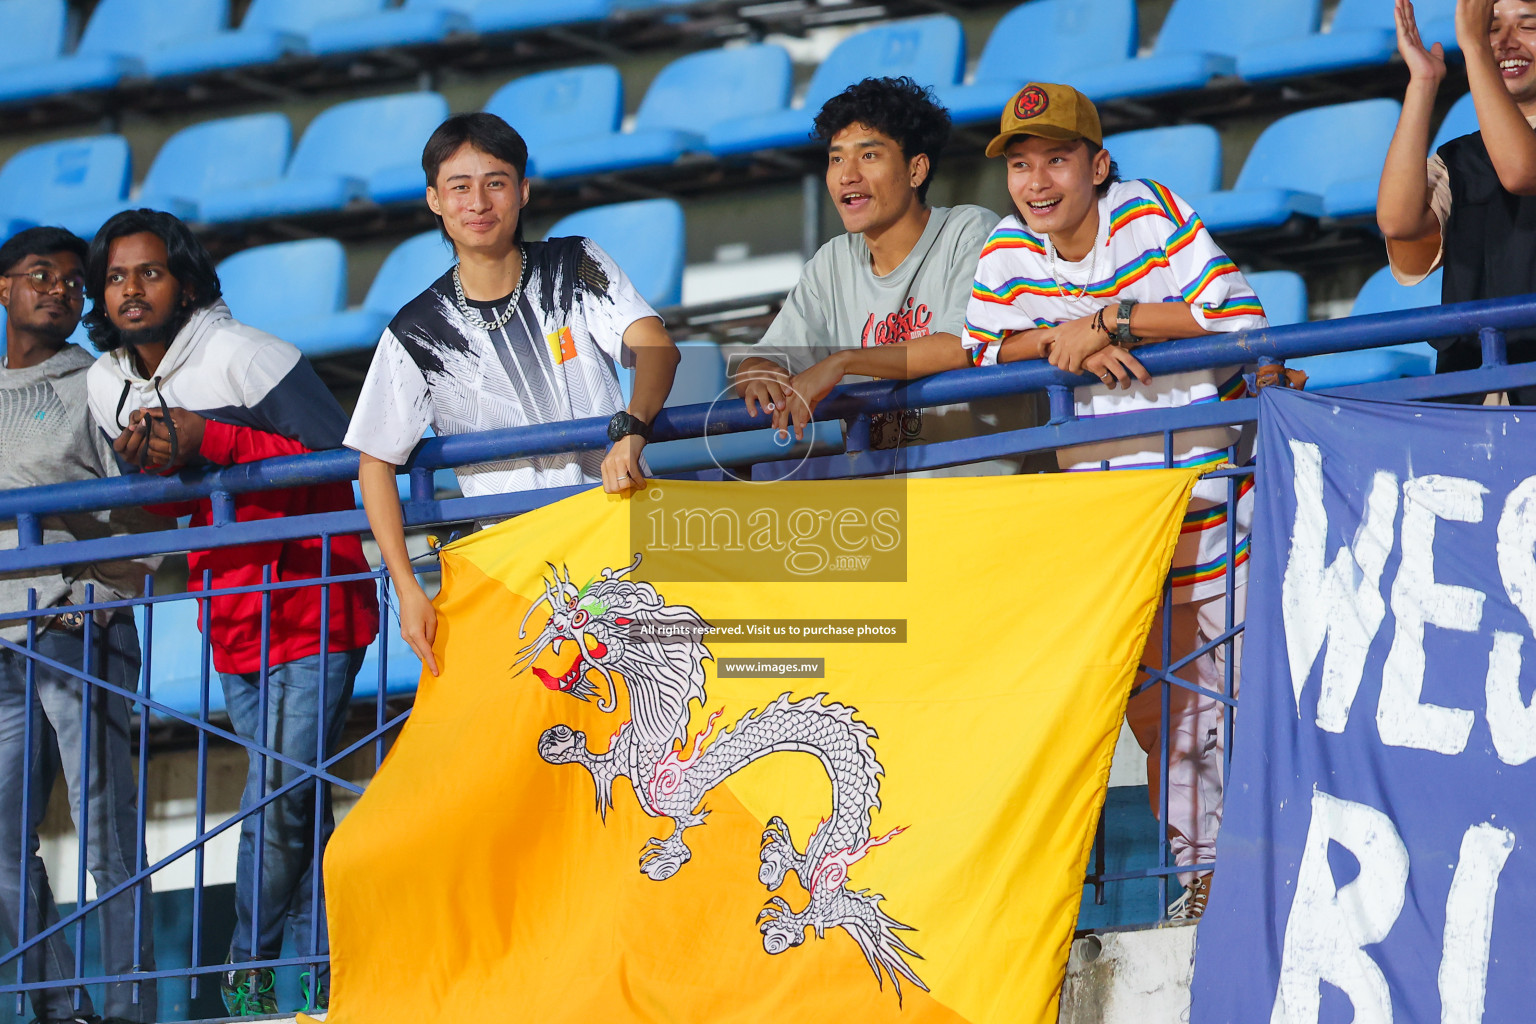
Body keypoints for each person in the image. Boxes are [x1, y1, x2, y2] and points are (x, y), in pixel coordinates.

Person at [961, 83, 1269, 921]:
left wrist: (1116, 320)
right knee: (1164, 711)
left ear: (1097, 165)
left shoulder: (1150, 209)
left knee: (1251, 686)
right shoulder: (1005, 248)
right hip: (1113, 526)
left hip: (1210, 494)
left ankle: (1276, 865)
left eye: (1056, 159)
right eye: (1021, 164)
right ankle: (1203, 883)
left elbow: (1240, 318)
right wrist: (1067, 341)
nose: (1036, 181)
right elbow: (982, 349)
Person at [81, 210, 379, 1016]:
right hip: (231, 614)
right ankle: (327, 968)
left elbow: (341, 456)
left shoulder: (247, 353)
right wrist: (166, 455)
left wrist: (213, 437)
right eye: (115, 277)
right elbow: (160, 502)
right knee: (299, 799)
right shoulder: (105, 380)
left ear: (184, 278)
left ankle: (244, 967)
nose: (132, 290)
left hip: (315, 599)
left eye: (149, 272)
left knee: (278, 793)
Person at [346, 112, 679, 677]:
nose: (478, 202)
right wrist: (407, 588)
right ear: (434, 200)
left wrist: (633, 425)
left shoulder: (576, 264)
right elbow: (375, 461)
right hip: (512, 568)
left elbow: (656, 347)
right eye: (459, 186)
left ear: (522, 192)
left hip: (616, 537)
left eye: (496, 182)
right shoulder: (415, 330)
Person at [0, 227, 163, 1024]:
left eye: (74, 282)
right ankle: (60, 1008)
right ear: (3, 289)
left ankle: (132, 1008)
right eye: (41, 276)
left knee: (107, 832)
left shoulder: (101, 384)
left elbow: (138, 516)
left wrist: (91, 588)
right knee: (0, 844)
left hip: (78, 626)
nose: (60, 291)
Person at [730, 76, 1027, 465]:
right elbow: (764, 359)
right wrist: (759, 373)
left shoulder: (971, 231)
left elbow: (963, 344)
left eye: (868, 156)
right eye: (836, 158)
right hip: (888, 510)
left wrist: (843, 362)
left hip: (984, 495)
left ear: (916, 169)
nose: (847, 174)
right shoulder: (830, 262)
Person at [1380, 0, 1536, 400]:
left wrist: (1475, 47)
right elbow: (1399, 222)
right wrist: (1423, 83)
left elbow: (1521, 171)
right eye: (1490, 28)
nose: (1505, 43)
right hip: (1476, 404)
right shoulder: (1461, 157)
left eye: (1527, 26)